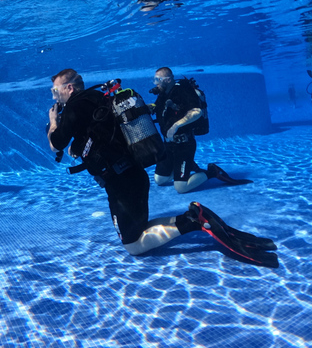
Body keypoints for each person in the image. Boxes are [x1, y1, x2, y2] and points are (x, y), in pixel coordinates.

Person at [47, 68, 277, 267]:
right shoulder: (99, 98)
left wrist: (54, 120)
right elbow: (99, 136)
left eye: (56, 91)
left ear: (69, 89)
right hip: (132, 177)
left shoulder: (75, 107)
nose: (55, 98)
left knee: (133, 246)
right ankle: (193, 216)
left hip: (122, 185)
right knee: (139, 230)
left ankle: (194, 221)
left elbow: (56, 143)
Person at [150, 67, 251, 193]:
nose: (155, 83)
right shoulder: (163, 93)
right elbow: (160, 108)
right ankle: (187, 167)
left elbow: (196, 112)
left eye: (158, 79)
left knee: (181, 188)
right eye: (154, 79)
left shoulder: (183, 90)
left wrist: (176, 125)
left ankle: (212, 172)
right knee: (160, 180)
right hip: (169, 145)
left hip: (184, 145)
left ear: (168, 79)